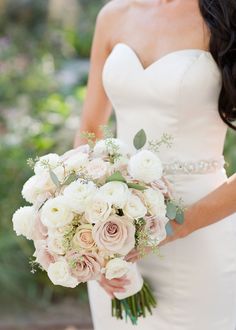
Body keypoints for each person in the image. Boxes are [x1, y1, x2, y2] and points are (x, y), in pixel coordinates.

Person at [74, 0, 236, 329]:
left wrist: (177, 226)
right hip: (115, 235)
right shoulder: (113, 15)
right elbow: (90, 131)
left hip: (201, 234)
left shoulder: (228, 17)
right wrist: (88, 234)